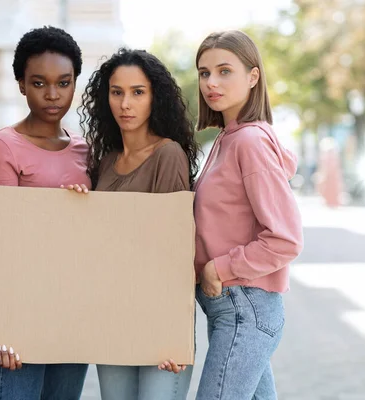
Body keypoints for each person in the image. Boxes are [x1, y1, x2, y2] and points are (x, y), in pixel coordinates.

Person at [0, 26, 89, 400]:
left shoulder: (84, 150)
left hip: (72, 307)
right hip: (20, 312)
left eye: (63, 82)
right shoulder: (3, 146)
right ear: (20, 84)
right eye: (39, 83)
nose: (52, 94)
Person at [69, 48, 200, 400]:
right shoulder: (107, 161)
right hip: (112, 315)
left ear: (154, 98)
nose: (126, 103)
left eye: (138, 92)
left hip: (159, 321)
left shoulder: (167, 155)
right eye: (117, 92)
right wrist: (79, 204)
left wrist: (172, 333)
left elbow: (173, 251)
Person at [193, 30, 303, 400]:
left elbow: (285, 239)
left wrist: (217, 268)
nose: (212, 82)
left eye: (225, 71)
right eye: (204, 73)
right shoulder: (228, 138)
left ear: (253, 77)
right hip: (231, 308)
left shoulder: (250, 143)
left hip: (244, 306)